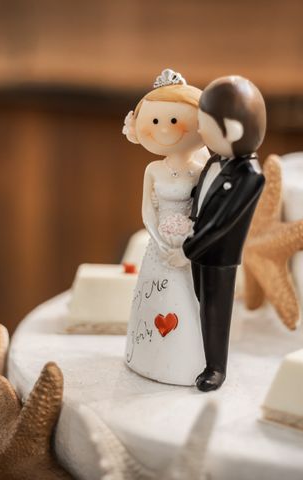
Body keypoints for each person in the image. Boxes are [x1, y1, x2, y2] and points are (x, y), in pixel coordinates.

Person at [123, 69, 208, 385]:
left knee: (185, 300)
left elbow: (205, 211)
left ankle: (185, 362)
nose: (164, 130)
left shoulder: (201, 171)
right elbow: (147, 210)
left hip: (187, 249)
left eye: (174, 121)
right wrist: (159, 241)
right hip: (159, 249)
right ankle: (147, 358)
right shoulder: (153, 169)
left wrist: (188, 245)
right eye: (155, 122)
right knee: (154, 297)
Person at [183, 75, 267, 392]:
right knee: (198, 302)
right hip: (198, 245)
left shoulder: (250, 176)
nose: (200, 130)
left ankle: (215, 367)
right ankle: (195, 352)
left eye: (205, 124)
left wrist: (193, 244)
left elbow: (223, 222)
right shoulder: (216, 159)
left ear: (230, 131)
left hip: (217, 255)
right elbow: (202, 198)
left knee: (216, 311)